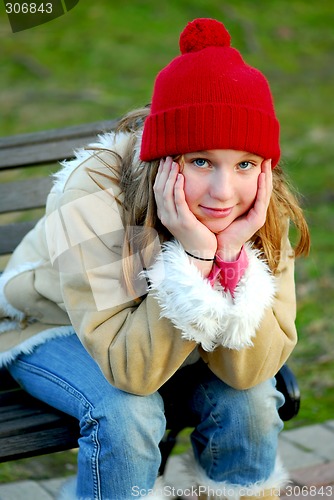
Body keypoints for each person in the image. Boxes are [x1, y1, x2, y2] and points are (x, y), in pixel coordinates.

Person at [0, 17, 310, 500]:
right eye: (200, 161)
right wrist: (193, 257)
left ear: (264, 166)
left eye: (244, 162)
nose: (223, 192)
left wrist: (228, 259)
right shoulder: (93, 193)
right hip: (47, 326)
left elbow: (251, 372)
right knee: (126, 414)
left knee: (250, 403)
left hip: (155, 340)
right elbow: (133, 373)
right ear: (164, 160)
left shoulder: (260, 206)